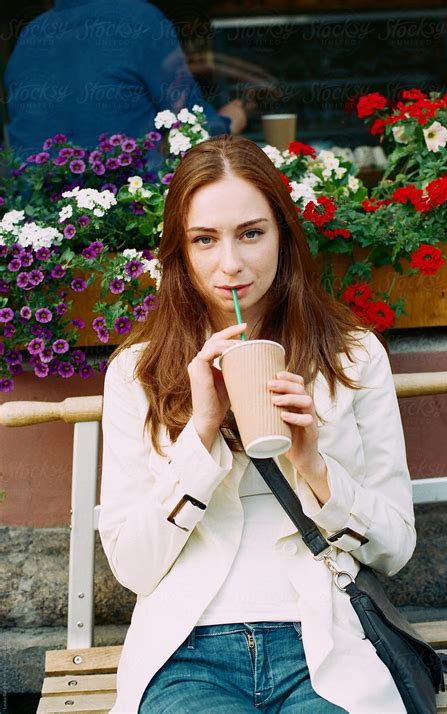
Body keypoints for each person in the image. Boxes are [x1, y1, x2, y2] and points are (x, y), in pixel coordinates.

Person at [99, 135, 416, 713]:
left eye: (251, 232)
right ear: (180, 252)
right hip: (186, 650)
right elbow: (134, 567)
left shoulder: (352, 358)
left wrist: (312, 465)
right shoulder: (136, 374)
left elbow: (395, 547)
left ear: (283, 236)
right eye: (205, 239)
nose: (231, 264)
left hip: (322, 639)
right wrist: (200, 433)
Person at [4, 0, 246, 158]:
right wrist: (231, 119)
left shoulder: (29, 36)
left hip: (39, 225)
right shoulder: (139, 18)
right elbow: (198, 131)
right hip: (125, 217)